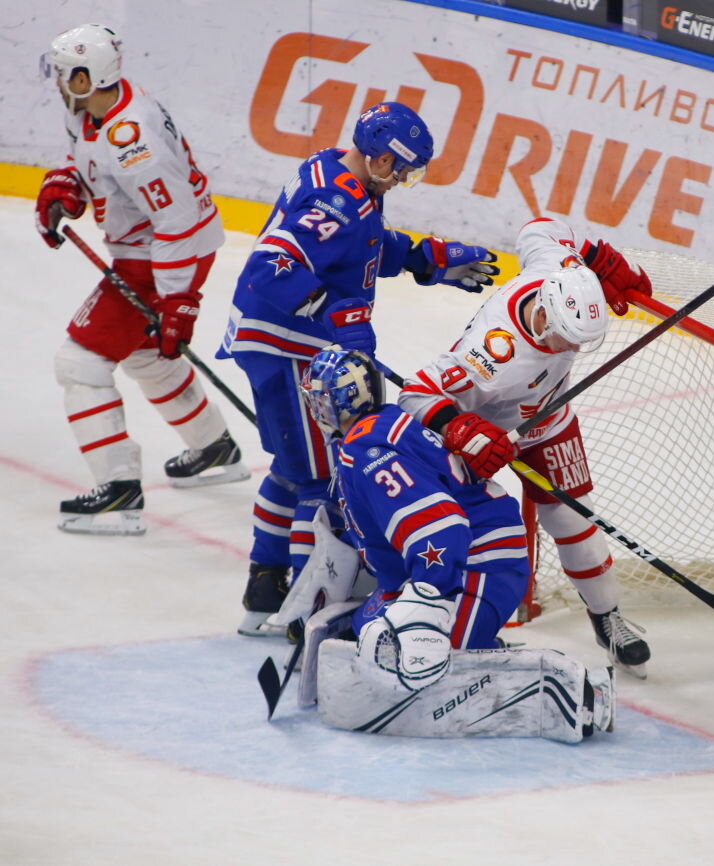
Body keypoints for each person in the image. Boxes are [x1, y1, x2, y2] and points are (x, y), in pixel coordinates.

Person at [218, 101, 500, 636]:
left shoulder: (346, 182)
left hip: (286, 343)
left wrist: (425, 258)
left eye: (409, 172)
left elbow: (361, 247)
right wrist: (336, 316)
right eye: (397, 166)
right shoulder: (336, 198)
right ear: (373, 153)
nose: (400, 179)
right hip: (287, 347)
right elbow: (269, 268)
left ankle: (264, 585)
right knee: (321, 479)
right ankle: (304, 610)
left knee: (292, 465)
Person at [291, 344, 614, 742]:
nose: (315, 412)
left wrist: (427, 602)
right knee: (373, 637)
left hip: (477, 565)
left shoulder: (366, 449)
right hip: (451, 562)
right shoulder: (375, 430)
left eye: (318, 402)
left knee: (419, 667)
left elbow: (440, 528)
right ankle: (467, 637)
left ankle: (568, 689)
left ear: (337, 403)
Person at [398, 216, 655, 677]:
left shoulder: (556, 271)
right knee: (450, 527)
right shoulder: (494, 356)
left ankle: (607, 617)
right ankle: (423, 614)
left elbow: (541, 226)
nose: (571, 350)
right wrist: (464, 433)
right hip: (480, 434)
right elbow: (416, 392)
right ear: (543, 316)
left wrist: (597, 258)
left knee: (573, 517)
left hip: (547, 420)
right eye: (566, 337)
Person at [36, 23, 249, 536]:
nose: (60, 82)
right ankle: (213, 446)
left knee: (80, 361)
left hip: (160, 256)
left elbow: (177, 221)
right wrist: (68, 187)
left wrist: (179, 301)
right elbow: (88, 162)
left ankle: (119, 490)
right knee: (145, 353)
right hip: (148, 250)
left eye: (69, 74)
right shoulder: (92, 112)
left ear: (90, 76)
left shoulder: (134, 138)